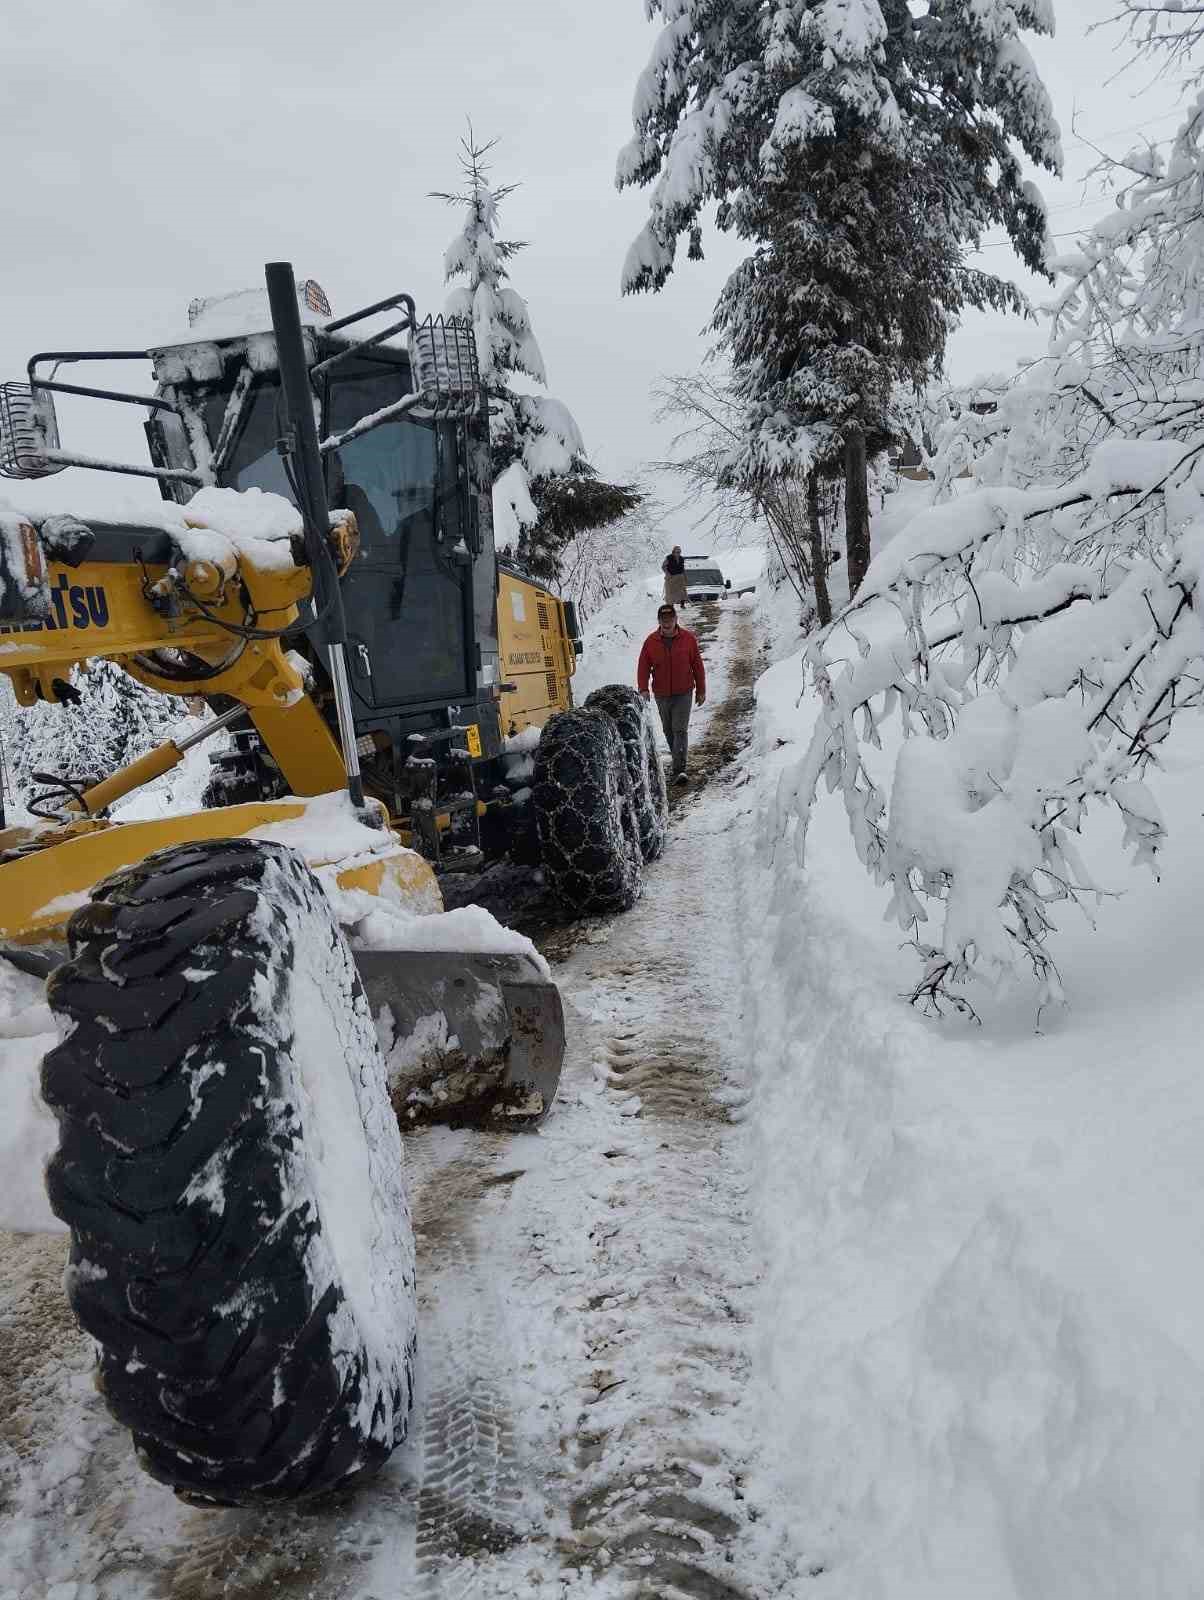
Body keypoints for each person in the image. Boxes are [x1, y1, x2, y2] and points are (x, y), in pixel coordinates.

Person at [636, 603, 706, 784]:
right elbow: (643, 666)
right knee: (668, 730)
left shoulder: (688, 639)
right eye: (663, 620)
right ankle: (678, 759)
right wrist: (643, 688)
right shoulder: (651, 642)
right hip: (662, 694)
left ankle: (679, 769)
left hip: (684, 692)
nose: (667, 623)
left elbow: (697, 665)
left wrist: (701, 690)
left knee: (679, 729)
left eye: (670, 619)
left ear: (676, 620)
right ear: (659, 621)